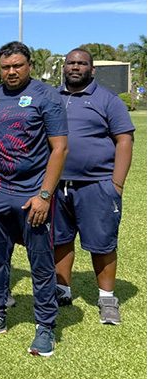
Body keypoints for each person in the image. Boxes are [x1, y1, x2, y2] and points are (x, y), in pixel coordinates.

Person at [0, 41, 68, 358]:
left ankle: (46, 327)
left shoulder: (46, 96)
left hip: (33, 192)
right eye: (5, 67)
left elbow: (60, 149)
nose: (11, 71)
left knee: (40, 263)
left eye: (17, 65)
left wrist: (44, 194)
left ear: (29, 66)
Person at [54, 48, 134, 324]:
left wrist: (117, 185)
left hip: (97, 186)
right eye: (71, 63)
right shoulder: (53, 97)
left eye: (82, 63)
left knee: (102, 243)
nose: (75, 67)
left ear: (92, 69)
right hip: (58, 185)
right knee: (60, 240)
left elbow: (124, 140)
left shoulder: (108, 100)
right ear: (64, 67)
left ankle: (107, 299)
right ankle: (62, 290)